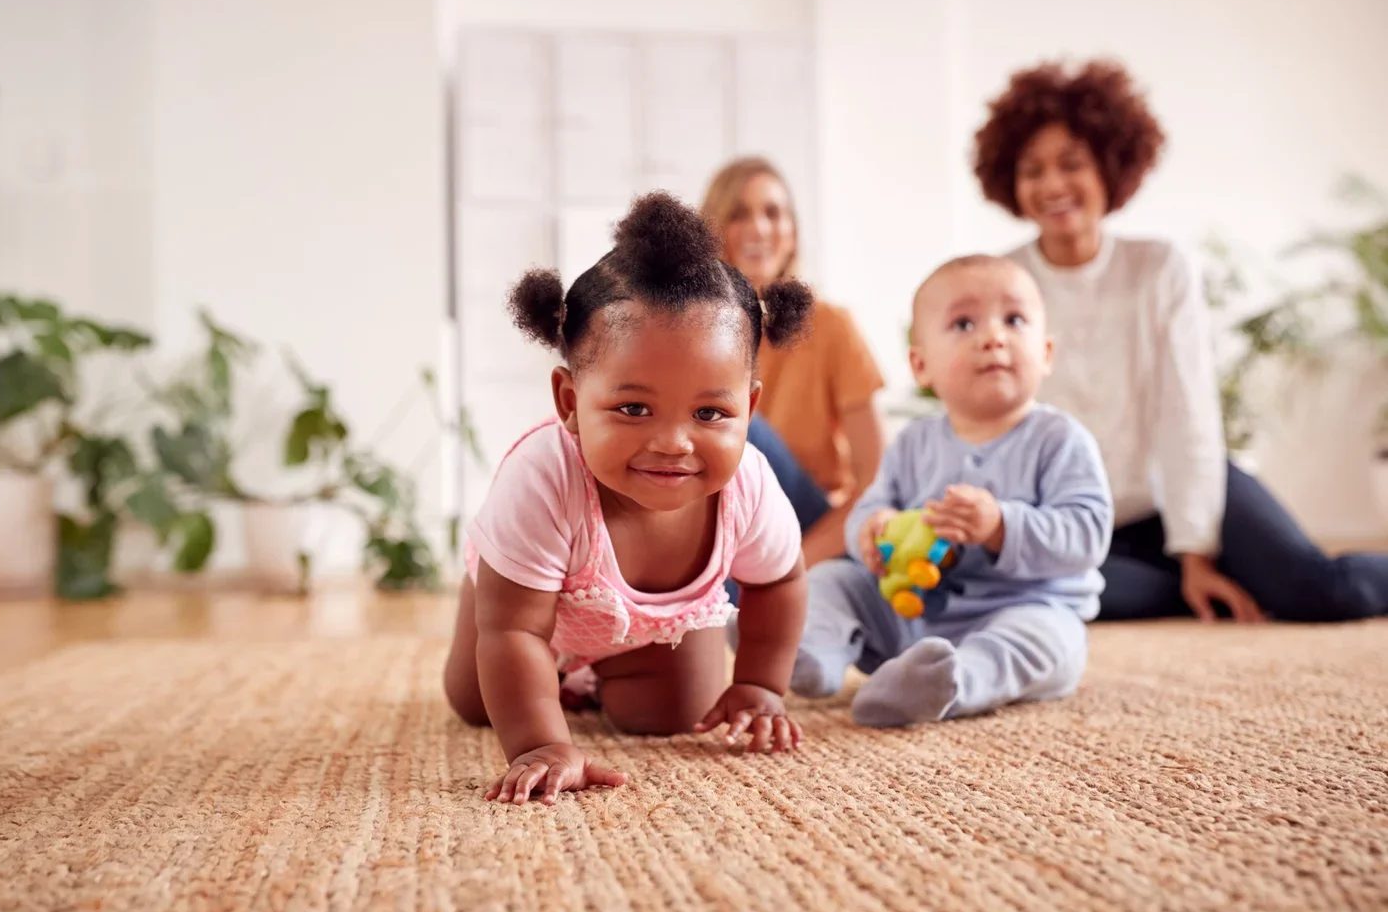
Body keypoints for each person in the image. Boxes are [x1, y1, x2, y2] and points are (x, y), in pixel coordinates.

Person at [973, 58, 1388, 623]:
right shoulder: (999, 281)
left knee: (1318, 593)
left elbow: (1186, 410)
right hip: (1083, 519)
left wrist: (1196, 549)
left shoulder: (1158, 267)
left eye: (1071, 164)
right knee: (1065, 603)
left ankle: (1206, 569)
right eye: (1032, 170)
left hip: (1185, 488)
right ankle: (1191, 581)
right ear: (1009, 182)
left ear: (1111, 167)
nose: (1051, 186)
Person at [444, 192, 814, 806]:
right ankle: (545, 672)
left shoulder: (748, 482)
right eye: (633, 408)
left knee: (673, 713)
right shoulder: (543, 478)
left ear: (748, 408)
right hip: (524, 608)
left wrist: (758, 683)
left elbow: (780, 581)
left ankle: (602, 674)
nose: (673, 442)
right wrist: (541, 743)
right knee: (479, 702)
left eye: (709, 412)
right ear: (569, 402)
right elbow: (513, 629)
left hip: (649, 630)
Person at [779, 255, 1112, 727]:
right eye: (963, 323)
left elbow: (1088, 533)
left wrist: (1001, 525)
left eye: (1014, 320)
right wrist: (872, 532)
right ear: (921, 365)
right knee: (834, 581)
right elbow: (872, 504)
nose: (993, 336)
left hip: (1021, 608)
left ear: (1047, 352)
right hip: (907, 614)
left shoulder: (1060, 439)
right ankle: (811, 653)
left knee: (1048, 639)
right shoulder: (914, 442)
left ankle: (952, 680)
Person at [700, 158, 886, 565]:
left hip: (810, 526)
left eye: (773, 213)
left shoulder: (831, 326)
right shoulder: (692, 334)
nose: (760, 228)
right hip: (728, 530)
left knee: (741, 427)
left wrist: (794, 566)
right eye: (738, 214)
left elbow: (877, 481)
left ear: (792, 232)